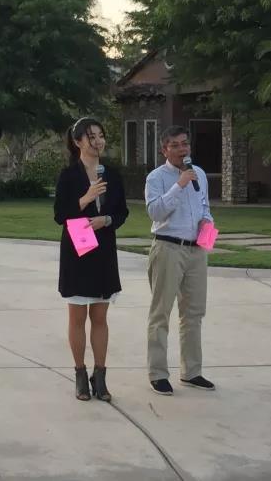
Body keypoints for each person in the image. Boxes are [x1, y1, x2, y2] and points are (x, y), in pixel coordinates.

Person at [54, 117, 129, 402]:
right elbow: (60, 215)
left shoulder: (112, 174)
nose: (98, 142)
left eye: (101, 136)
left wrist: (106, 219)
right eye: (91, 137)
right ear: (77, 142)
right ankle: (80, 374)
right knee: (77, 317)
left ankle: (100, 376)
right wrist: (85, 199)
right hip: (78, 247)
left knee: (100, 316)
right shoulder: (68, 175)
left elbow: (122, 212)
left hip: (104, 248)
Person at [145, 125, 215, 396]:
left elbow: (205, 207)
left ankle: (192, 371)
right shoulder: (156, 178)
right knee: (161, 313)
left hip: (196, 250)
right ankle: (158, 373)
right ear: (164, 150)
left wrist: (207, 226)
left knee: (194, 313)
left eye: (185, 143)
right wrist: (179, 184)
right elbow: (155, 212)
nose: (182, 149)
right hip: (168, 248)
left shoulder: (200, 174)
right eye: (175, 145)